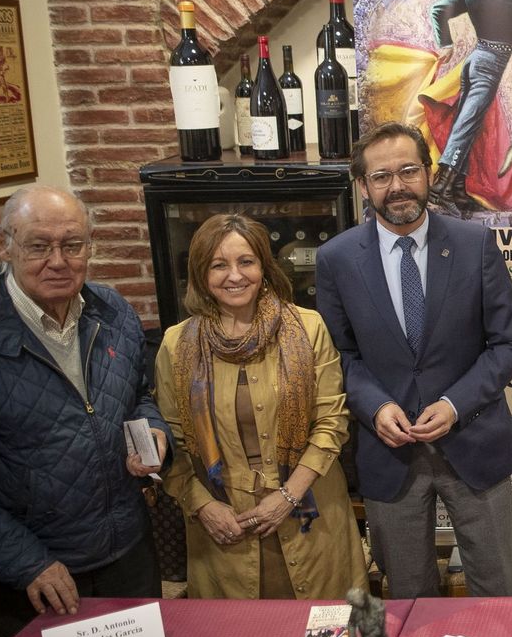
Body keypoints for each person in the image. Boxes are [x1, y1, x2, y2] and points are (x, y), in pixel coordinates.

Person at [0, 186, 166, 637]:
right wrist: (27, 563)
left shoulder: (115, 312)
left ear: (91, 245)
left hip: (129, 555)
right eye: (38, 246)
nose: (58, 261)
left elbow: (139, 398)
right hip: (38, 579)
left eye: (72, 245)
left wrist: (153, 430)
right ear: (3, 244)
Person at [316, 122, 512, 598]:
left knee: (496, 591)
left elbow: (510, 343)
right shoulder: (337, 259)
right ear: (363, 185)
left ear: (428, 173)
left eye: (409, 170)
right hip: (388, 453)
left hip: (474, 444)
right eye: (381, 176)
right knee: (409, 598)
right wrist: (374, 405)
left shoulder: (475, 245)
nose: (397, 186)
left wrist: (455, 403)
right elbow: (336, 356)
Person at [154, 214, 367, 600]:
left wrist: (287, 497)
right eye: (219, 265)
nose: (234, 275)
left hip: (310, 516)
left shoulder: (307, 327)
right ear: (201, 275)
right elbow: (174, 443)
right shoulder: (177, 345)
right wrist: (202, 507)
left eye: (246, 262)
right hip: (225, 529)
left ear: (264, 267)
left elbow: (331, 423)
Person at [427, 0, 512, 216]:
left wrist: (445, 43)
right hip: (491, 64)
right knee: (467, 123)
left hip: (473, 60)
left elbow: (437, 9)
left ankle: (457, 191)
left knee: (466, 123)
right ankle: (440, 186)